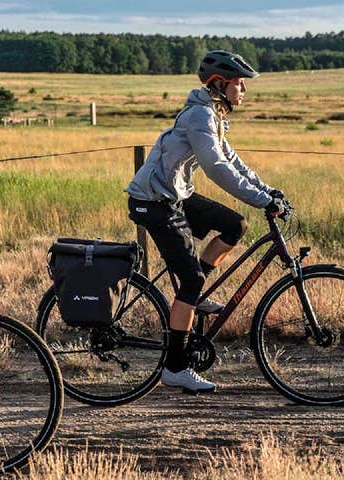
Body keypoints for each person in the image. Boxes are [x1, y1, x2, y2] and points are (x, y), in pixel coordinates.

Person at [125, 50, 287, 394]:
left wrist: (267, 189)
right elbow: (216, 168)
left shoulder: (211, 115)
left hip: (174, 194)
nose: (243, 91)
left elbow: (232, 160)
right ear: (219, 84)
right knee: (191, 281)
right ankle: (175, 367)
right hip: (153, 201)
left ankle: (193, 293)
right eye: (239, 84)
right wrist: (260, 199)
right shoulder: (200, 116)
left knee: (235, 226)